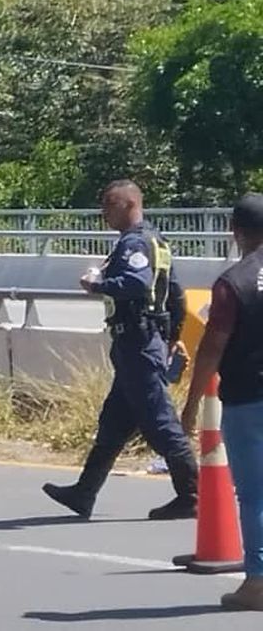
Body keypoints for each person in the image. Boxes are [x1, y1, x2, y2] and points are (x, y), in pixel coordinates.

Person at [42, 180, 198, 520]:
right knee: (113, 422)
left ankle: (192, 494)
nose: (104, 215)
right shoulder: (157, 241)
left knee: (160, 422)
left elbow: (136, 284)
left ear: (128, 205)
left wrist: (97, 285)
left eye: (108, 207)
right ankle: (84, 493)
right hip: (141, 343)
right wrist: (171, 336)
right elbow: (177, 295)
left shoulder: (135, 242)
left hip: (138, 344)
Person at [181, 193, 263, 611]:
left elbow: (212, 348)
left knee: (254, 495)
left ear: (236, 232)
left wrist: (192, 402)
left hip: (250, 398)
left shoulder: (234, 281)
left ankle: (257, 582)